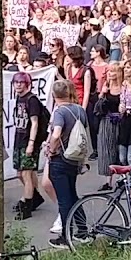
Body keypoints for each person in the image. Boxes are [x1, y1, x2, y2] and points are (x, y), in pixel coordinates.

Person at [45, 79, 87, 250]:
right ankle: (82, 231)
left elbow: (56, 134)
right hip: (75, 158)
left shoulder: (59, 112)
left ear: (54, 95)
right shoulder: (80, 110)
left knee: (64, 199)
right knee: (72, 194)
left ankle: (65, 236)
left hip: (61, 159)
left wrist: (51, 150)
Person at [10, 72, 47, 219]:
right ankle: (34, 197)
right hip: (19, 139)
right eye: (15, 82)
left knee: (26, 173)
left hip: (28, 141)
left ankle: (27, 208)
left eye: (21, 82)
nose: (18, 85)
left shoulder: (32, 100)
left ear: (27, 83)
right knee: (22, 173)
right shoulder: (19, 98)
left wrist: (31, 144)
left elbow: (35, 123)